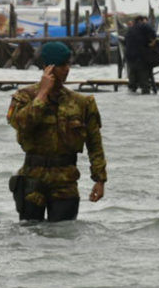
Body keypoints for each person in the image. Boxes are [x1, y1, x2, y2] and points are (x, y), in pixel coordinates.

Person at [7, 41, 107, 222]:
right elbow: (20, 123)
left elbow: (95, 144)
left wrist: (100, 180)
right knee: (30, 237)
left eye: (68, 64)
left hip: (65, 180)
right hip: (32, 179)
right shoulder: (24, 97)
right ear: (47, 67)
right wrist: (42, 94)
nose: (67, 69)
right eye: (61, 65)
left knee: (64, 237)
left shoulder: (81, 103)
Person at [124, 15, 158, 94]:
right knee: (144, 82)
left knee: (132, 81)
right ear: (141, 20)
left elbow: (125, 41)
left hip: (130, 57)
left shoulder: (130, 29)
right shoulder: (143, 25)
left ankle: (132, 92)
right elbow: (153, 35)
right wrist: (151, 43)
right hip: (141, 57)